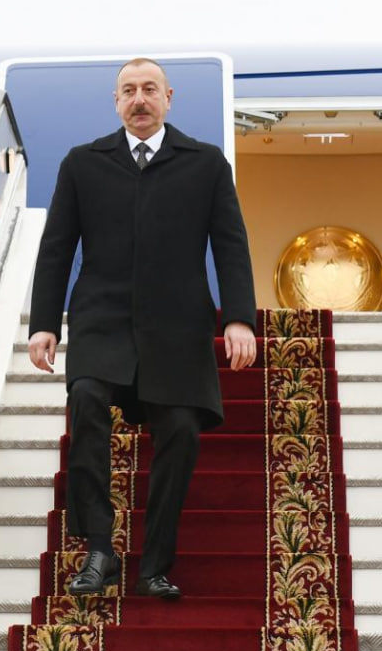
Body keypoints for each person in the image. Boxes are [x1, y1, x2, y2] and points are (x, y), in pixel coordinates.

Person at [27, 57, 257, 600]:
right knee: (86, 398)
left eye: (149, 89)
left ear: (168, 97)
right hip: (101, 320)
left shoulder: (205, 163)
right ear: (116, 102)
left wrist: (239, 318)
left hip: (178, 327)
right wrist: (44, 324)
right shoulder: (83, 163)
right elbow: (56, 247)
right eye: (128, 90)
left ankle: (154, 566)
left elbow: (230, 244)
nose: (139, 99)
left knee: (179, 431)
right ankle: (99, 549)